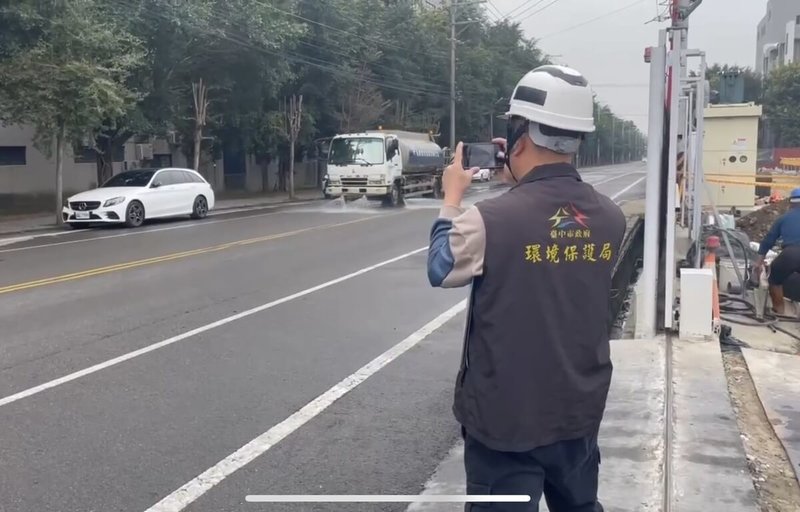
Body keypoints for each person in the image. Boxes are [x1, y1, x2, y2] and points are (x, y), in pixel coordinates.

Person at [427, 65, 626, 512]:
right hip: (578, 409)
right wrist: (523, 177)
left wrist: (451, 198)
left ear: (519, 134)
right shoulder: (611, 217)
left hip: (506, 419)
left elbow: (440, 267)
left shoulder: (489, 220)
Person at [754, 187, 800, 316]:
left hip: (790, 254)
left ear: (791, 203)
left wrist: (759, 261)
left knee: (775, 278)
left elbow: (769, 240)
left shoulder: (784, 218)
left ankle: (779, 311)